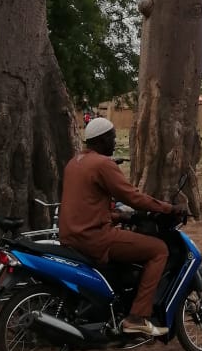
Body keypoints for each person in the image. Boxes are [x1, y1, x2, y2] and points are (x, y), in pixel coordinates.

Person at [59, 117, 179, 337]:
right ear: (102, 139)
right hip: (95, 238)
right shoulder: (103, 164)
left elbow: (87, 204)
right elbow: (132, 197)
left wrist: (119, 216)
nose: (115, 142)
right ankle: (137, 318)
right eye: (113, 138)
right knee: (159, 250)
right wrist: (168, 208)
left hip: (71, 236)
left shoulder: (74, 162)